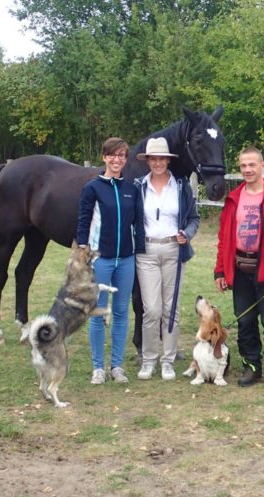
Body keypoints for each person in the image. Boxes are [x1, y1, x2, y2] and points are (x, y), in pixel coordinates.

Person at [214, 146, 264, 389]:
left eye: (252, 165)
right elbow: (224, 238)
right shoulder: (233, 199)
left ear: (262, 166)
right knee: (245, 322)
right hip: (239, 271)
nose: (247, 170)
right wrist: (220, 271)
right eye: (243, 166)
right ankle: (251, 366)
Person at [76, 137, 144, 384]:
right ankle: (98, 367)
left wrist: (139, 251)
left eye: (122, 156)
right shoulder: (92, 188)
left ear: (126, 160)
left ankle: (116, 365)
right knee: (97, 312)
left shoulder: (131, 189)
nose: (117, 160)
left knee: (121, 311)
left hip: (125, 260)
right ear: (104, 157)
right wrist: (84, 252)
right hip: (101, 260)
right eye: (112, 155)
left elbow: (137, 224)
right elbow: (83, 222)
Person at [134, 137, 200, 381]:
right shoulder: (139, 186)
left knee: (170, 309)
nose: (158, 162)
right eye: (154, 158)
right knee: (151, 309)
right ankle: (149, 359)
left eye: (162, 158)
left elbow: (194, 218)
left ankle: (168, 361)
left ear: (168, 161)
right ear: (148, 161)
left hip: (174, 250)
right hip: (147, 252)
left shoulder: (181, 187)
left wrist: (187, 233)